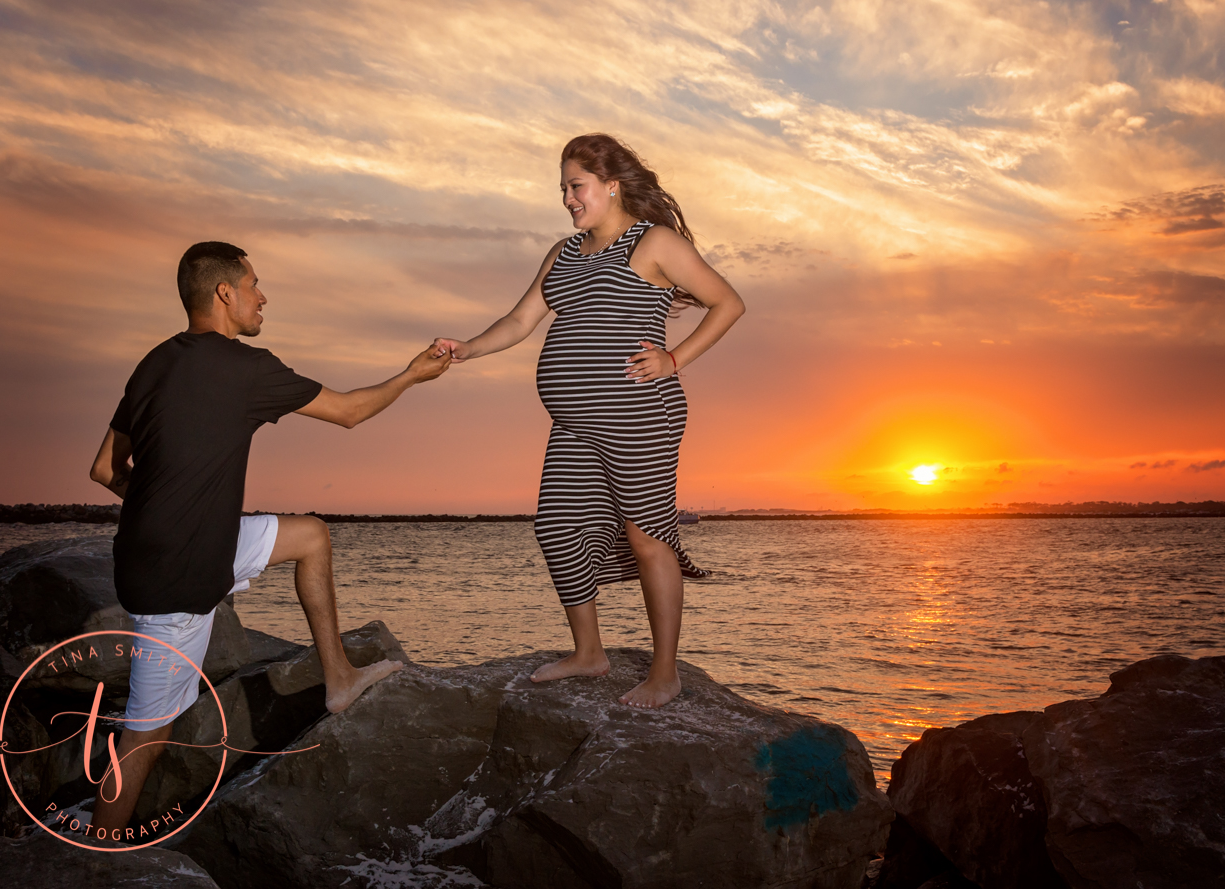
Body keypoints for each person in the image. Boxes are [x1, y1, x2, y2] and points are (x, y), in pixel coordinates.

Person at [86, 240, 451, 838]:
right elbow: (350, 411)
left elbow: (104, 470)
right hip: (175, 581)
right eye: (254, 284)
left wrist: (170, 509)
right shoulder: (248, 368)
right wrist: (414, 373)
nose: (263, 296)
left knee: (311, 536)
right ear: (224, 294)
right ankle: (92, 858)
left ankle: (339, 678)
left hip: (175, 549)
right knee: (144, 736)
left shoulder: (153, 362)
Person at [435, 134, 745, 708]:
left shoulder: (652, 243)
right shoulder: (563, 252)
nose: (568, 199)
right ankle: (589, 654)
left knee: (647, 536)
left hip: (640, 414)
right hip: (575, 424)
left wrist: (673, 359)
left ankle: (665, 673)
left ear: (611, 185)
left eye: (576, 187)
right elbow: (521, 318)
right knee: (556, 526)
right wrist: (469, 348)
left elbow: (728, 302)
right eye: (563, 189)